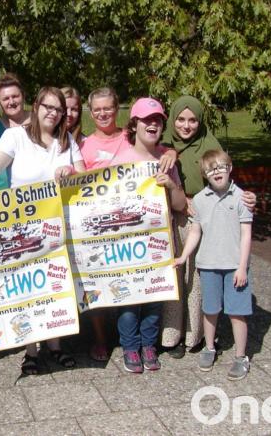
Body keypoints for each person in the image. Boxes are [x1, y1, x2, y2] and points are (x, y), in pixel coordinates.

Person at [0, 86, 84, 375]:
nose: (53, 113)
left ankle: (55, 346)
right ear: (36, 106)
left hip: (58, 228)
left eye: (58, 109)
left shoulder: (67, 140)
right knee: (29, 287)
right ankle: (31, 351)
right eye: (47, 106)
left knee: (54, 285)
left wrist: (71, 173)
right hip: (23, 228)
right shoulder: (16, 136)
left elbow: (82, 174)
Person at [77, 87, 177, 362]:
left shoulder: (135, 142)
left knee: (152, 295)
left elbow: (156, 147)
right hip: (114, 232)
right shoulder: (88, 146)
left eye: (107, 107)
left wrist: (172, 153)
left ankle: (147, 345)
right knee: (125, 295)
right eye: (96, 109)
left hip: (153, 237)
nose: (102, 113)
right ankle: (122, 344)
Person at [159, 95, 256, 358]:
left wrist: (247, 196)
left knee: (196, 280)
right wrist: (172, 150)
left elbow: (223, 179)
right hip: (167, 216)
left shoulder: (209, 145)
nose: (186, 126)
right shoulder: (163, 142)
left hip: (198, 216)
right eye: (180, 119)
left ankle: (195, 336)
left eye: (193, 120)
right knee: (174, 276)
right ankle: (171, 335)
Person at [115, 97, 186, 373]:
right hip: (128, 245)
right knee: (130, 300)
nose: (152, 125)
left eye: (157, 120)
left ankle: (148, 345)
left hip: (159, 243)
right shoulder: (121, 160)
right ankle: (130, 346)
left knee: (155, 297)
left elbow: (180, 205)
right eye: (146, 120)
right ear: (134, 124)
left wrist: (170, 185)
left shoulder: (167, 161)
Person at [174, 149, 253, 380]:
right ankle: (209, 347)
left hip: (234, 266)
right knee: (210, 309)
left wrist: (242, 266)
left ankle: (241, 356)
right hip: (208, 264)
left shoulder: (242, 197)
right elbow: (195, 232)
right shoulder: (199, 200)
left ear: (230, 168)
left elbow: (246, 234)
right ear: (204, 174)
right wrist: (183, 256)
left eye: (220, 167)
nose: (216, 172)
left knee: (237, 313)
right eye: (210, 169)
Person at [0, 73, 31, 190]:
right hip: (3, 194)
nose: (11, 102)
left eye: (15, 96)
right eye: (5, 98)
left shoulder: (39, 121)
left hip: (36, 191)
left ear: (23, 96)